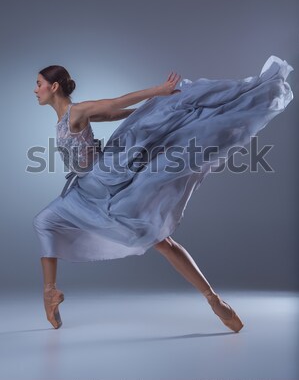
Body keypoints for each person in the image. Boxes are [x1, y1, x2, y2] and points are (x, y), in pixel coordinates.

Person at [32, 55, 294, 332]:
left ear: (55, 86)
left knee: (160, 239)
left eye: (39, 84)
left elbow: (113, 103)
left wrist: (158, 93)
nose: (35, 89)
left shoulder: (77, 111)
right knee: (46, 221)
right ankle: (50, 294)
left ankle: (215, 300)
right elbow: (112, 114)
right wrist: (149, 112)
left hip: (105, 181)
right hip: (85, 191)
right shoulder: (67, 117)